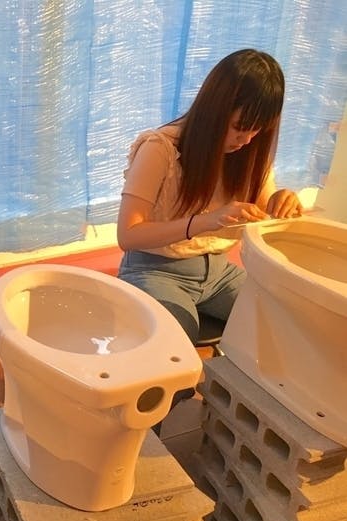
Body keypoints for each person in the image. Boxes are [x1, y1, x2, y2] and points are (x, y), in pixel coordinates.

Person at [117, 49, 302, 348]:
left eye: (258, 129)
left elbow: (266, 209)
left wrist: (282, 200)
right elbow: (128, 235)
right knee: (175, 344)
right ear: (215, 111)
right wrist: (204, 222)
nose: (247, 139)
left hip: (218, 272)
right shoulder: (160, 148)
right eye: (240, 127)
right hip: (153, 269)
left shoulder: (249, 153)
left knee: (285, 322)